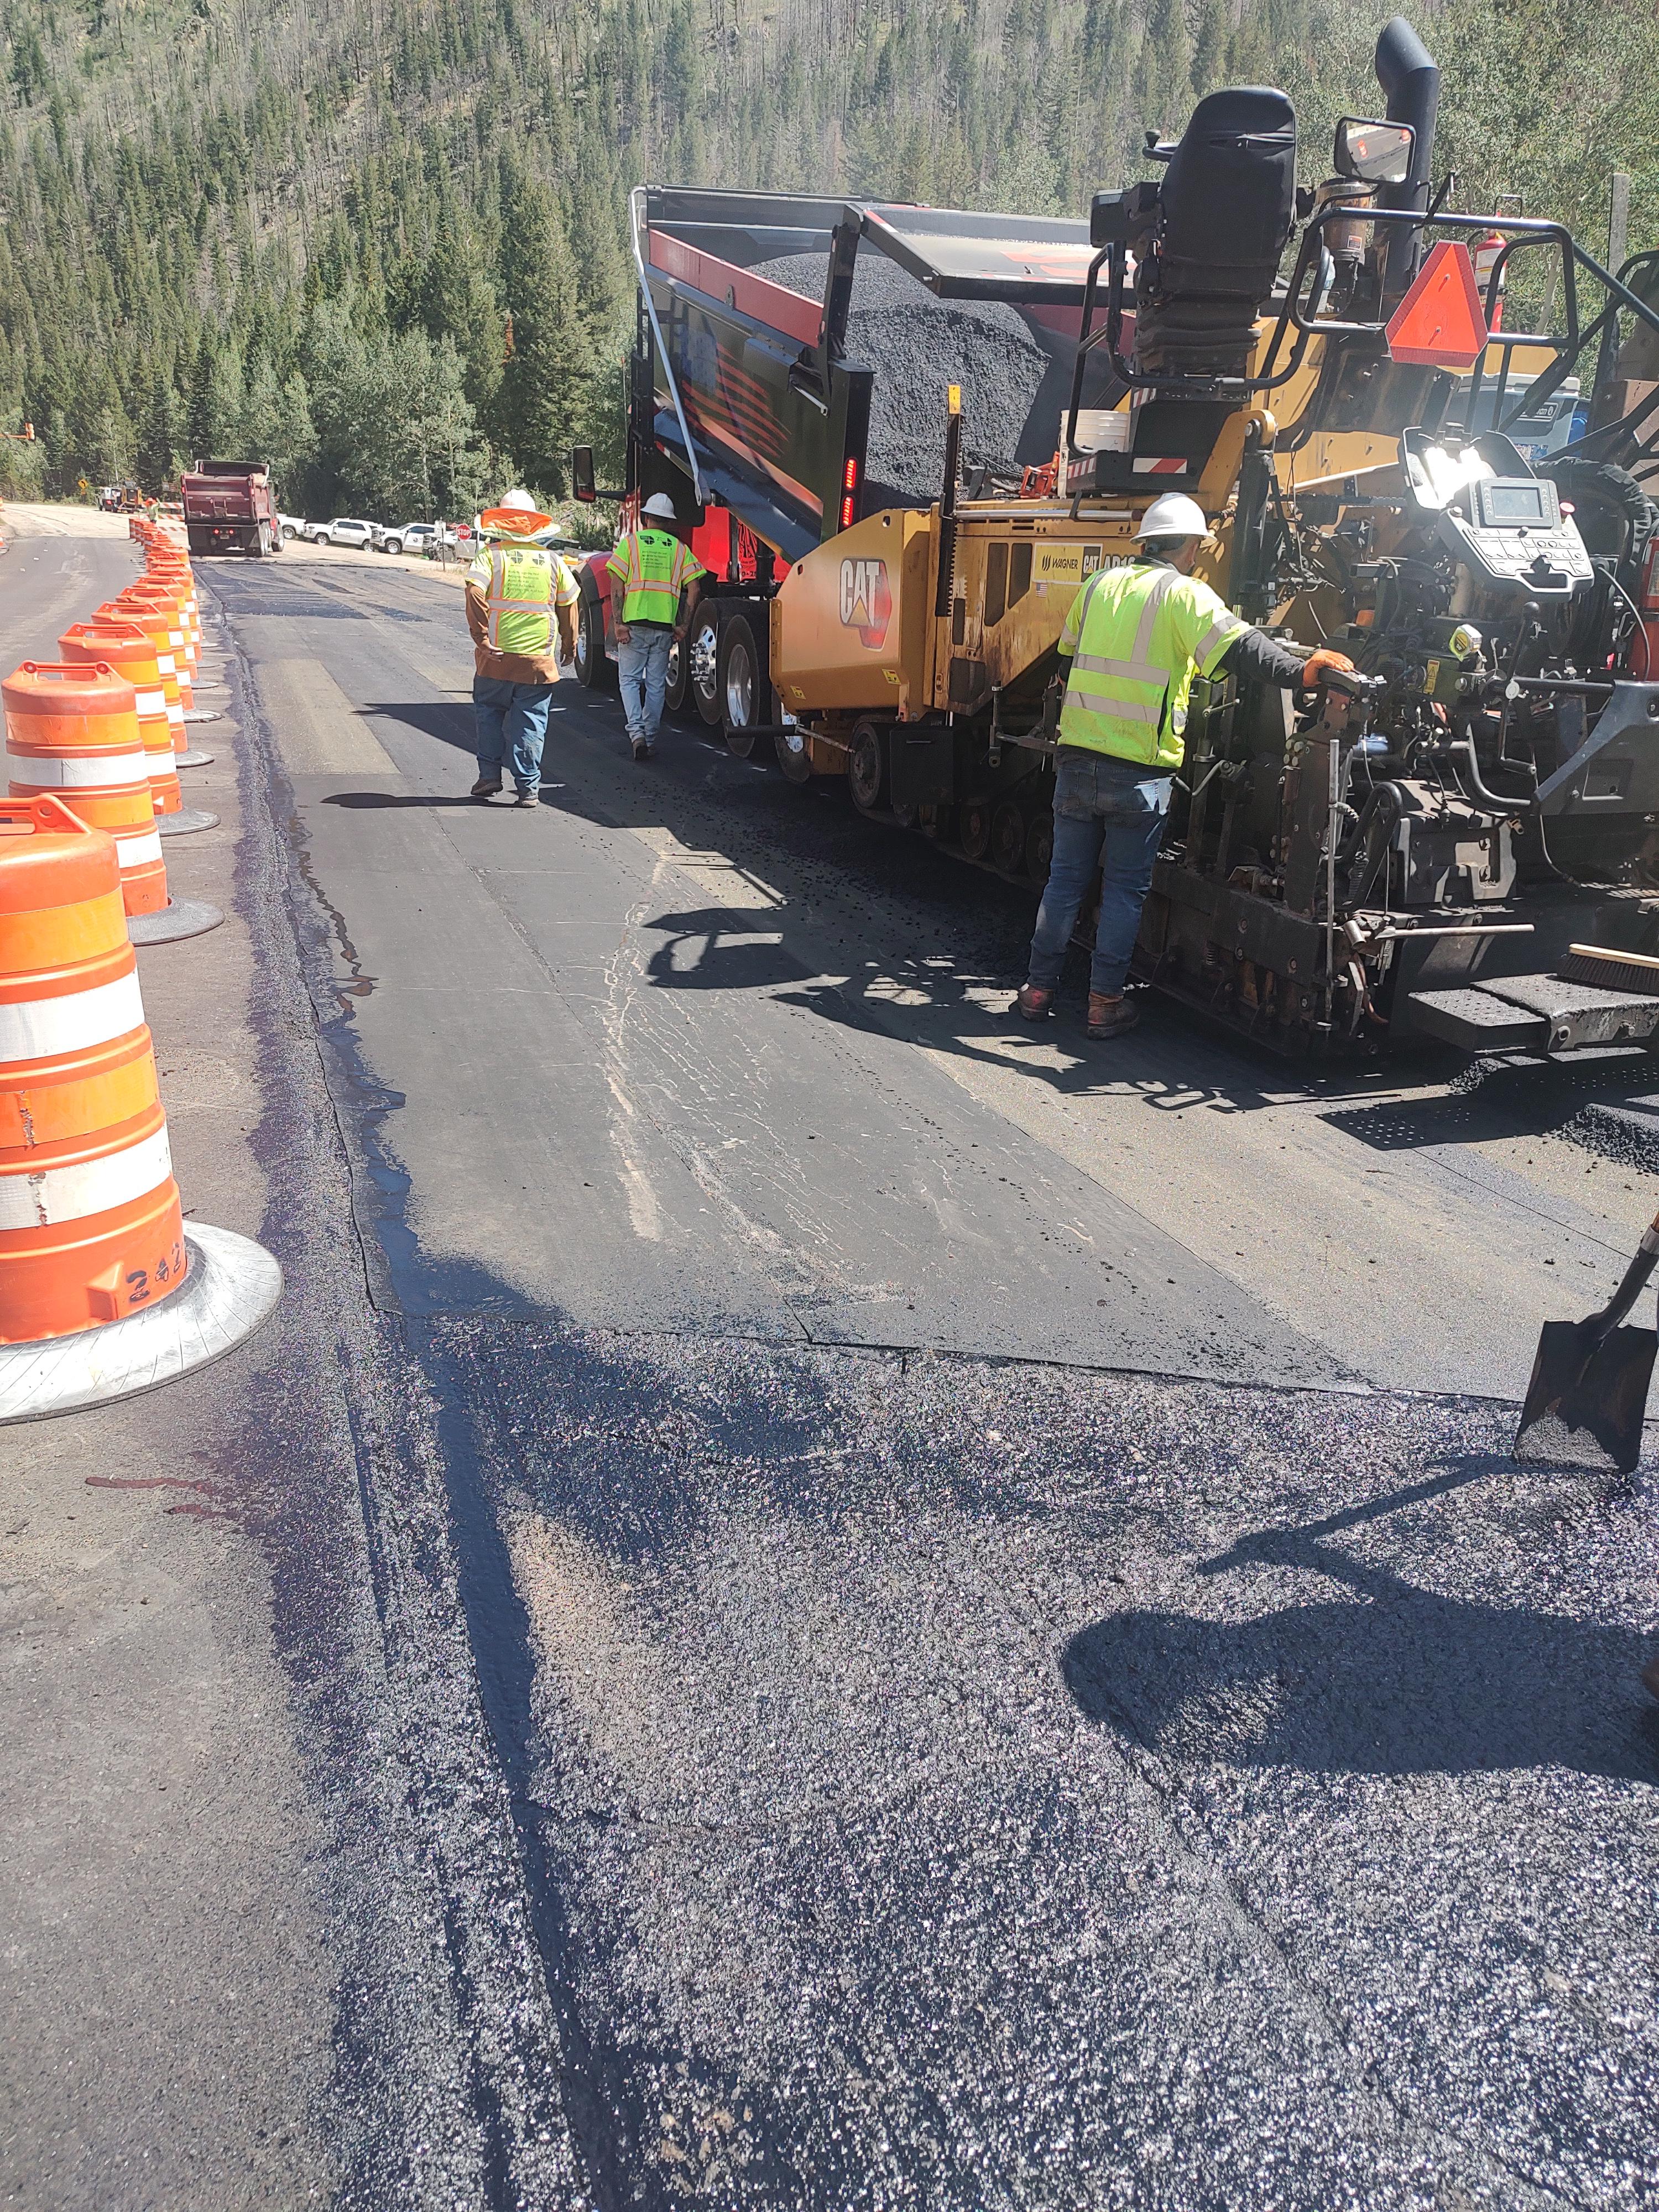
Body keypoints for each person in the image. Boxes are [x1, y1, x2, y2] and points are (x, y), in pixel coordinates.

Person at [1016, 492, 1355, 1039]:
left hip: (1078, 761)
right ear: (1191, 546)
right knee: (1124, 892)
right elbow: (1245, 652)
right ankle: (1103, 1003)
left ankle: (1037, 990)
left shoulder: (1098, 586)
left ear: (1146, 541)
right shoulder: (1186, 596)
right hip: (1139, 774)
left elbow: (1064, 661)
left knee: (1064, 883)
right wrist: (1305, 673)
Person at [465, 489, 581, 807]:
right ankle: (529, 789)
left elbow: (475, 592)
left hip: (495, 659)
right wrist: (570, 646)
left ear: (500, 521)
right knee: (531, 724)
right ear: (534, 525)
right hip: (538, 663)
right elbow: (570, 604)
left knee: (489, 715)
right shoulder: (553, 561)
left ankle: (489, 775)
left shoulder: (491, 555)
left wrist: (482, 638)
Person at [607, 492, 706, 762]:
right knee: (655, 685)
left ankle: (636, 735)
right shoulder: (680, 549)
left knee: (628, 681)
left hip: (634, 624)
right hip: (664, 627)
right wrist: (683, 625)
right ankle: (649, 739)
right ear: (670, 522)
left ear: (647, 517)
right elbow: (694, 588)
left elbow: (616, 583)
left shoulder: (632, 544)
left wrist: (618, 623)